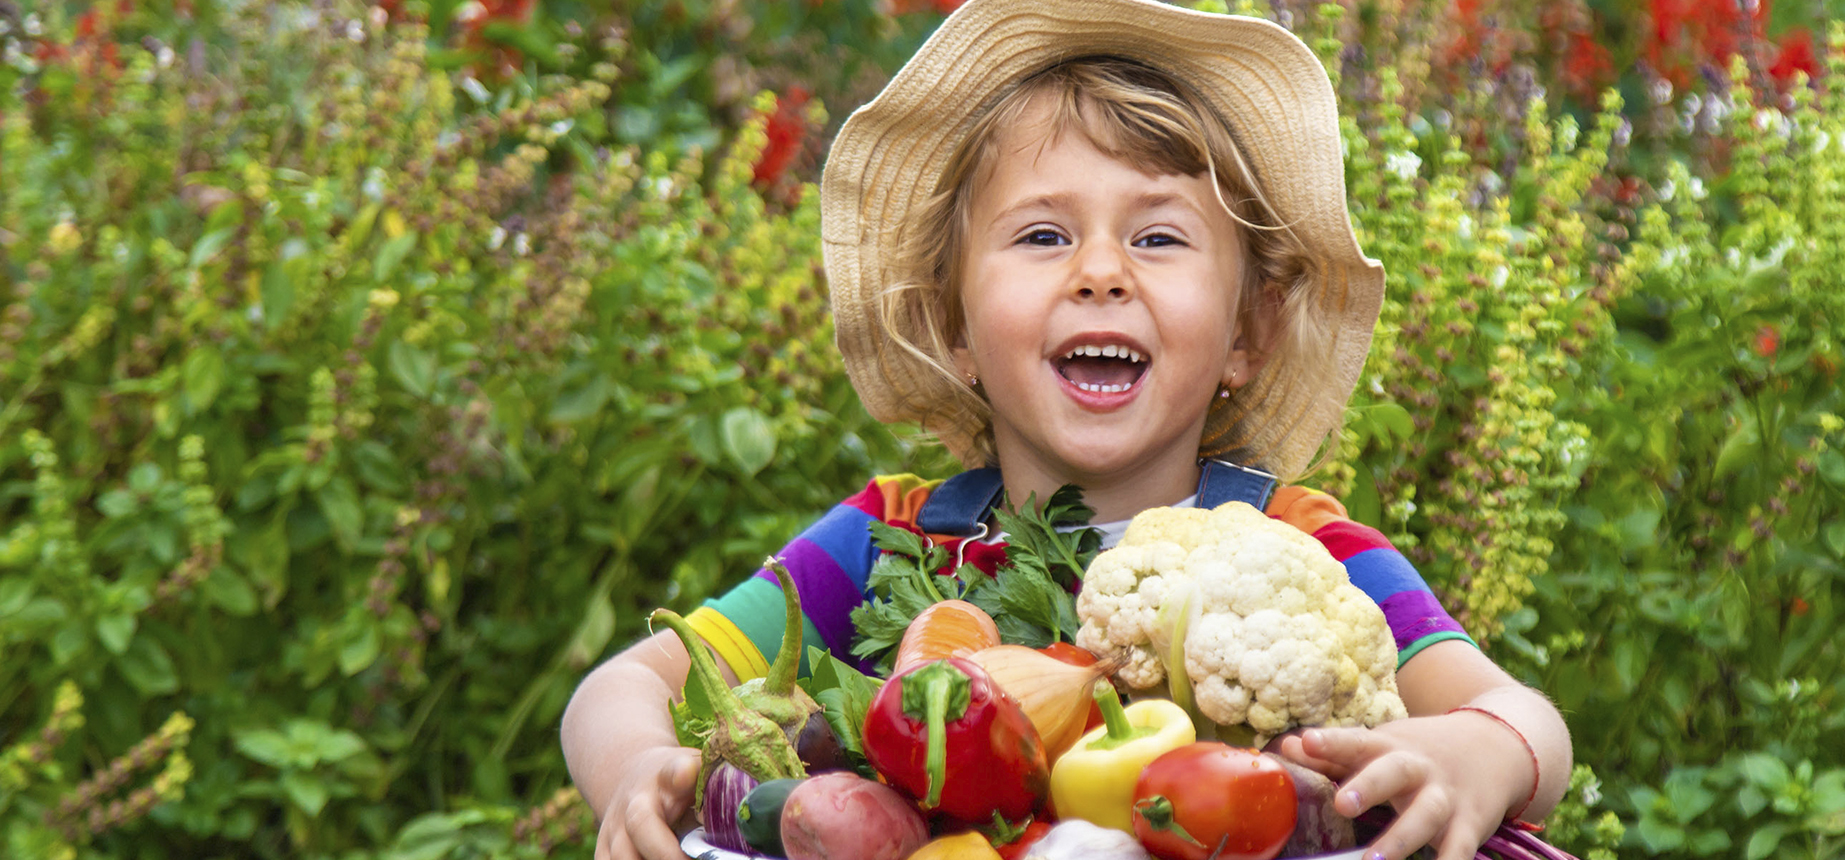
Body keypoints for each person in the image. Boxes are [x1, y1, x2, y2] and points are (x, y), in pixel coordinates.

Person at [561, 1, 1572, 859]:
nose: (1100, 270)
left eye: (1159, 236)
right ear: (955, 327)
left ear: (1245, 334)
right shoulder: (885, 539)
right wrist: (635, 767)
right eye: (1043, 234)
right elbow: (624, 683)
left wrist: (1483, 751)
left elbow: (1524, 714)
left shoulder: (1304, 550)